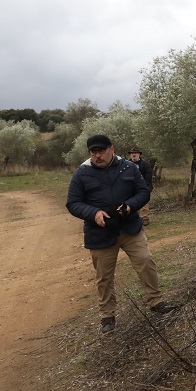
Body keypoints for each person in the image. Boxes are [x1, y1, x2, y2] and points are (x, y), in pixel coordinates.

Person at [66, 134, 177, 334]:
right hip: (100, 233)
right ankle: (107, 316)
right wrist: (93, 213)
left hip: (130, 228)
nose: (97, 155)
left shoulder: (129, 168)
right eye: (94, 152)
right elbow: (73, 203)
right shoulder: (82, 173)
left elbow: (143, 192)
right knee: (104, 277)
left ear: (112, 149)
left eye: (101, 151)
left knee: (145, 261)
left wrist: (130, 205)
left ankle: (156, 302)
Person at [129, 147, 154, 226]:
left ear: (139, 154)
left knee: (144, 203)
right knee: (132, 203)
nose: (134, 155)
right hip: (131, 187)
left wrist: (144, 186)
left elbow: (149, 175)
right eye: (132, 153)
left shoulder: (145, 164)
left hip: (144, 187)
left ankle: (145, 219)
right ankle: (134, 219)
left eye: (135, 153)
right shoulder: (126, 164)